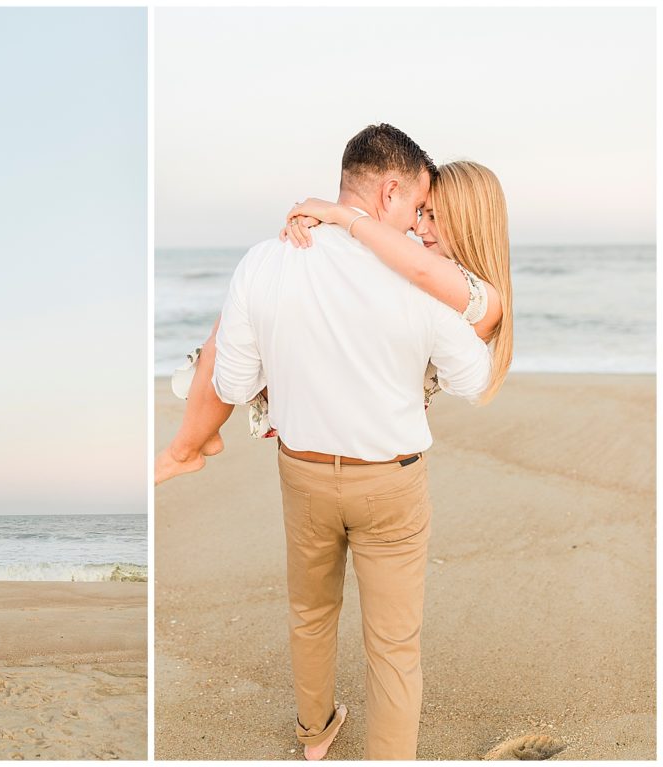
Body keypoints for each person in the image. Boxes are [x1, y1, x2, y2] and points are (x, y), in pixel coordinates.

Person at [211, 124, 493, 760]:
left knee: (311, 614)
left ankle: (314, 738)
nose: (421, 225)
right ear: (390, 191)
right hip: (390, 481)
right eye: (419, 207)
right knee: (393, 644)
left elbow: (231, 380)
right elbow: (472, 381)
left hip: (304, 475)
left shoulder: (265, 259)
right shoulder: (420, 279)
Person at [154, 163, 512, 487]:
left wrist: (339, 215)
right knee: (240, 309)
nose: (418, 227)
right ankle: (193, 443)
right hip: (342, 399)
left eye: (431, 215)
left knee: (241, 311)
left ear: (468, 222)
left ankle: (184, 450)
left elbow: (419, 269)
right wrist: (331, 231)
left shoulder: (480, 296)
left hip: (357, 415)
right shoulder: (439, 277)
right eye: (420, 213)